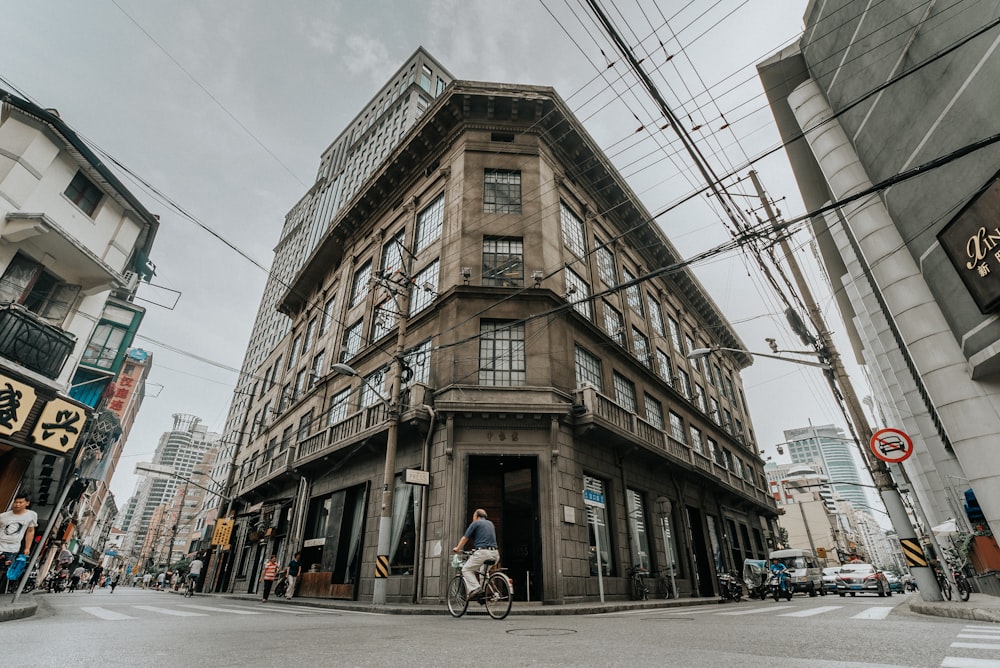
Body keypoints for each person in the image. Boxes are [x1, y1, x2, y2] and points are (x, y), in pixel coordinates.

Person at [452, 508, 499, 598]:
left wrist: (458, 548)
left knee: (466, 569)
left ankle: (476, 588)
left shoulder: (475, 523)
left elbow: (465, 538)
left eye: (473, 516)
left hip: (483, 553)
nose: (473, 518)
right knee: (483, 572)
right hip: (495, 554)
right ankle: (484, 595)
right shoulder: (490, 524)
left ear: (476, 516)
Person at [0, 494, 38, 591]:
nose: (17, 505)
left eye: (20, 502)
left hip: (12, 549)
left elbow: (30, 531)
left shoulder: (31, 515)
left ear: (27, 503)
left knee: (4, 570)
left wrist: (27, 547)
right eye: (16, 502)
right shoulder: (3, 516)